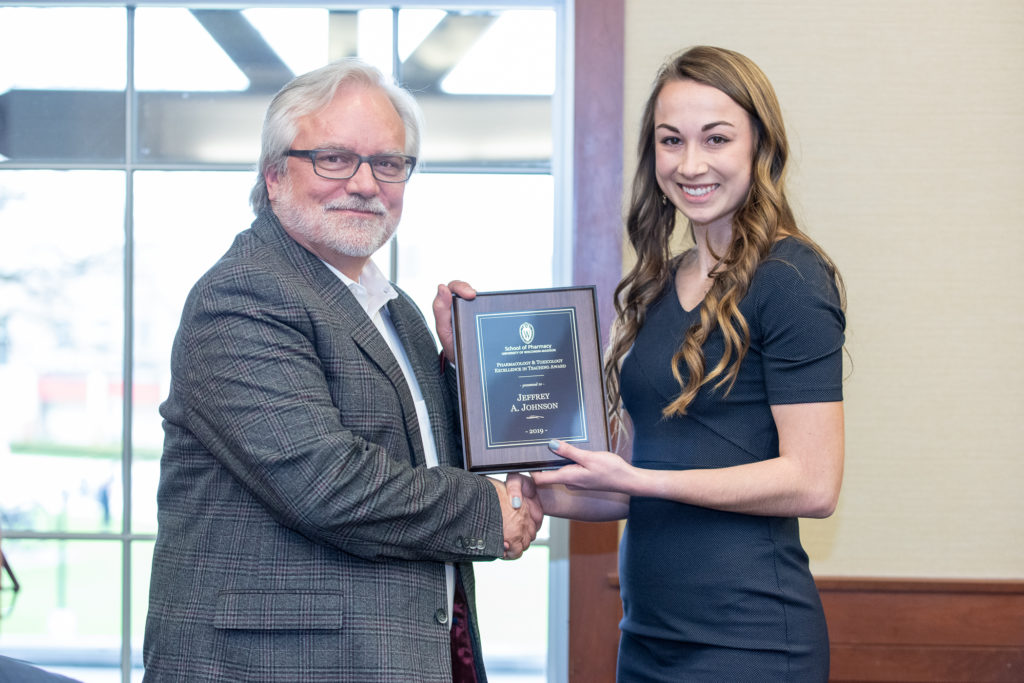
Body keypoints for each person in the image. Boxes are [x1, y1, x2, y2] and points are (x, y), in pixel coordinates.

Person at [142, 59, 542, 683]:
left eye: (388, 163)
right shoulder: (245, 295)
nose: (364, 183)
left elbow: (424, 460)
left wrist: (471, 373)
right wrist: (492, 510)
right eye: (334, 159)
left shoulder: (395, 310)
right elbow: (329, 484)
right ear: (274, 176)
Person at [532, 45, 846, 681]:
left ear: (760, 147)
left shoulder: (789, 277)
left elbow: (814, 483)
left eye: (717, 139)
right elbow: (624, 485)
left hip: (751, 641)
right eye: (670, 140)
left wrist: (644, 480)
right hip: (646, 638)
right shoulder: (654, 287)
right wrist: (517, 486)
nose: (691, 163)